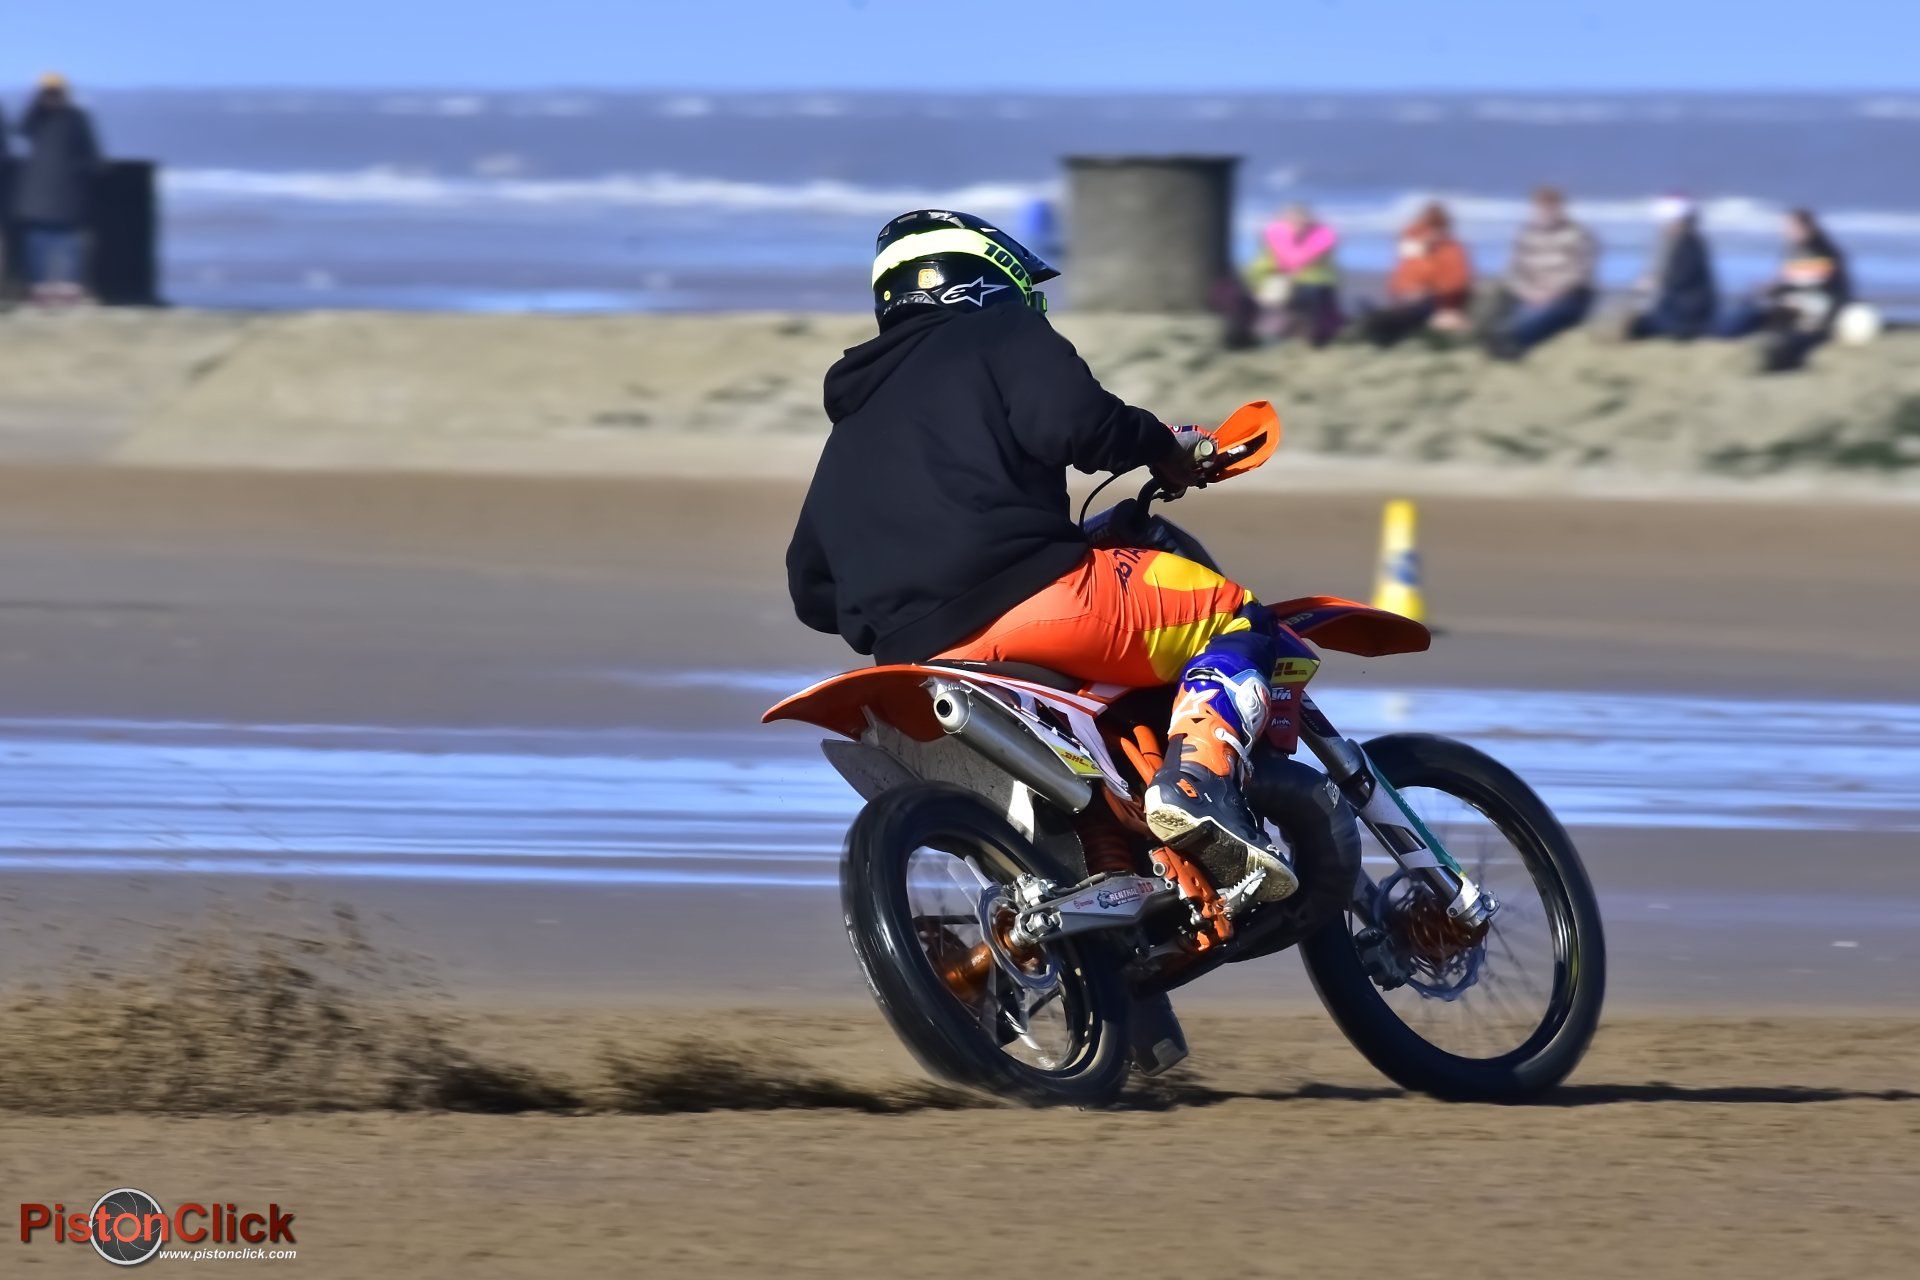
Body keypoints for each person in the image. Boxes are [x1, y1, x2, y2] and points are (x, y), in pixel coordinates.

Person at [787, 209, 1300, 902]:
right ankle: (1198, 782)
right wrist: (1163, 447)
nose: (1035, 302)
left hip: (911, 661)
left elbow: (810, 588)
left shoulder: (852, 425)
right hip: (1033, 603)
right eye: (1026, 287)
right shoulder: (1000, 331)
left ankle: (1110, 866)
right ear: (984, 282)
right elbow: (1078, 424)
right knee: (1237, 615)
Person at [1716, 208, 1851, 372]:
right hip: (1794, 308)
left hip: (1812, 312)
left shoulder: (1824, 252)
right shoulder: (1794, 250)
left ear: (1806, 228)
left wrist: (1776, 291)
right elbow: (1787, 282)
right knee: (1746, 312)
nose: (1785, 231)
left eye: (1790, 227)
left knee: (1753, 318)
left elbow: (1807, 286)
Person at [12, 72, 102, 304]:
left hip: (66, 198)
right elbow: (21, 130)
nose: (51, 97)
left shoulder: (76, 117)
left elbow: (92, 155)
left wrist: (78, 174)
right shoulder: (36, 118)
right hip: (38, 199)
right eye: (46, 93)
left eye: (54, 92)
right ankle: (40, 289)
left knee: (67, 246)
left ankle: (67, 289)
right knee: (39, 246)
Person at [1487, 186, 1598, 359]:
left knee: (1558, 309)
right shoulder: (1525, 234)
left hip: (1566, 293)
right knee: (1501, 296)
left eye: (1551, 208)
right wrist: (1529, 291)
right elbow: (1513, 271)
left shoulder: (1578, 235)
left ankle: (1518, 339)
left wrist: (1551, 292)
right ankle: (1496, 335)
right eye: (1542, 208)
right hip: (1531, 291)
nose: (1546, 213)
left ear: (1560, 209)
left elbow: (1581, 272)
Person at [1361, 201, 1473, 347]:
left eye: (1436, 227)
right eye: (1429, 227)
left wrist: (1439, 299)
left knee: (1415, 311)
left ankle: (1381, 322)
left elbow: (1456, 283)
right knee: (1406, 312)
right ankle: (1381, 324)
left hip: (1434, 301)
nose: (1432, 233)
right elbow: (1403, 276)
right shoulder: (1416, 248)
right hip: (1409, 298)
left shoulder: (1451, 250)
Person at [1246, 204, 1342, 347]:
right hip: (1278, 282)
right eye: (1293, 222)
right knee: (1275, 304)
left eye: (1302, 222)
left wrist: (1293, 274)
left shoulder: (1321, 238)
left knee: (1307, 305)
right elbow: (1258, 268)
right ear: (1284, 223)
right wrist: (1259, 285)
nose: (1298, 226)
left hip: (1313, 284)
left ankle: (1308, 338)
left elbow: (1318, 267)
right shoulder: (1276, 237)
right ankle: (1270, 340)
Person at [1627, 195, 1717, 340]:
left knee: (1642, 325)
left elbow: (1676, 280)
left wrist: (1653, 283)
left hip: (1687, 313)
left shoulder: (1689, 244)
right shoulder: (1675, 242)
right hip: (1680, 307)